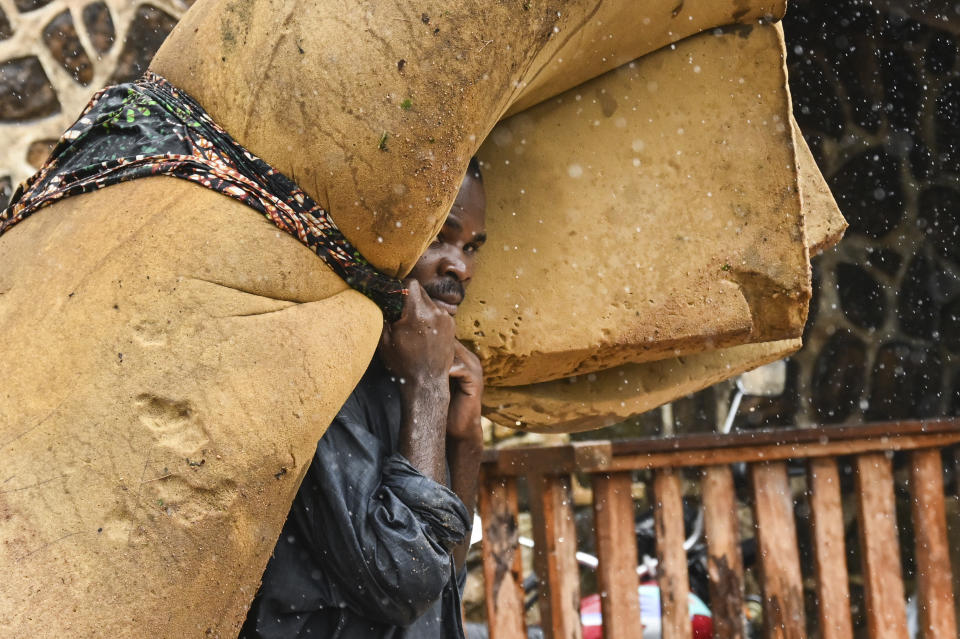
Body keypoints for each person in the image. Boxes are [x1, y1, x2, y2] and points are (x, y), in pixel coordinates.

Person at [240, 158, 487, 639]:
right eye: (439, 235)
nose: (461, 267)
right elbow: (407, 581)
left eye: (471, 247)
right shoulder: (322, 366)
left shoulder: (413, 369)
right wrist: (428, 389)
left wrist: (466, 442)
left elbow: (444, 584)